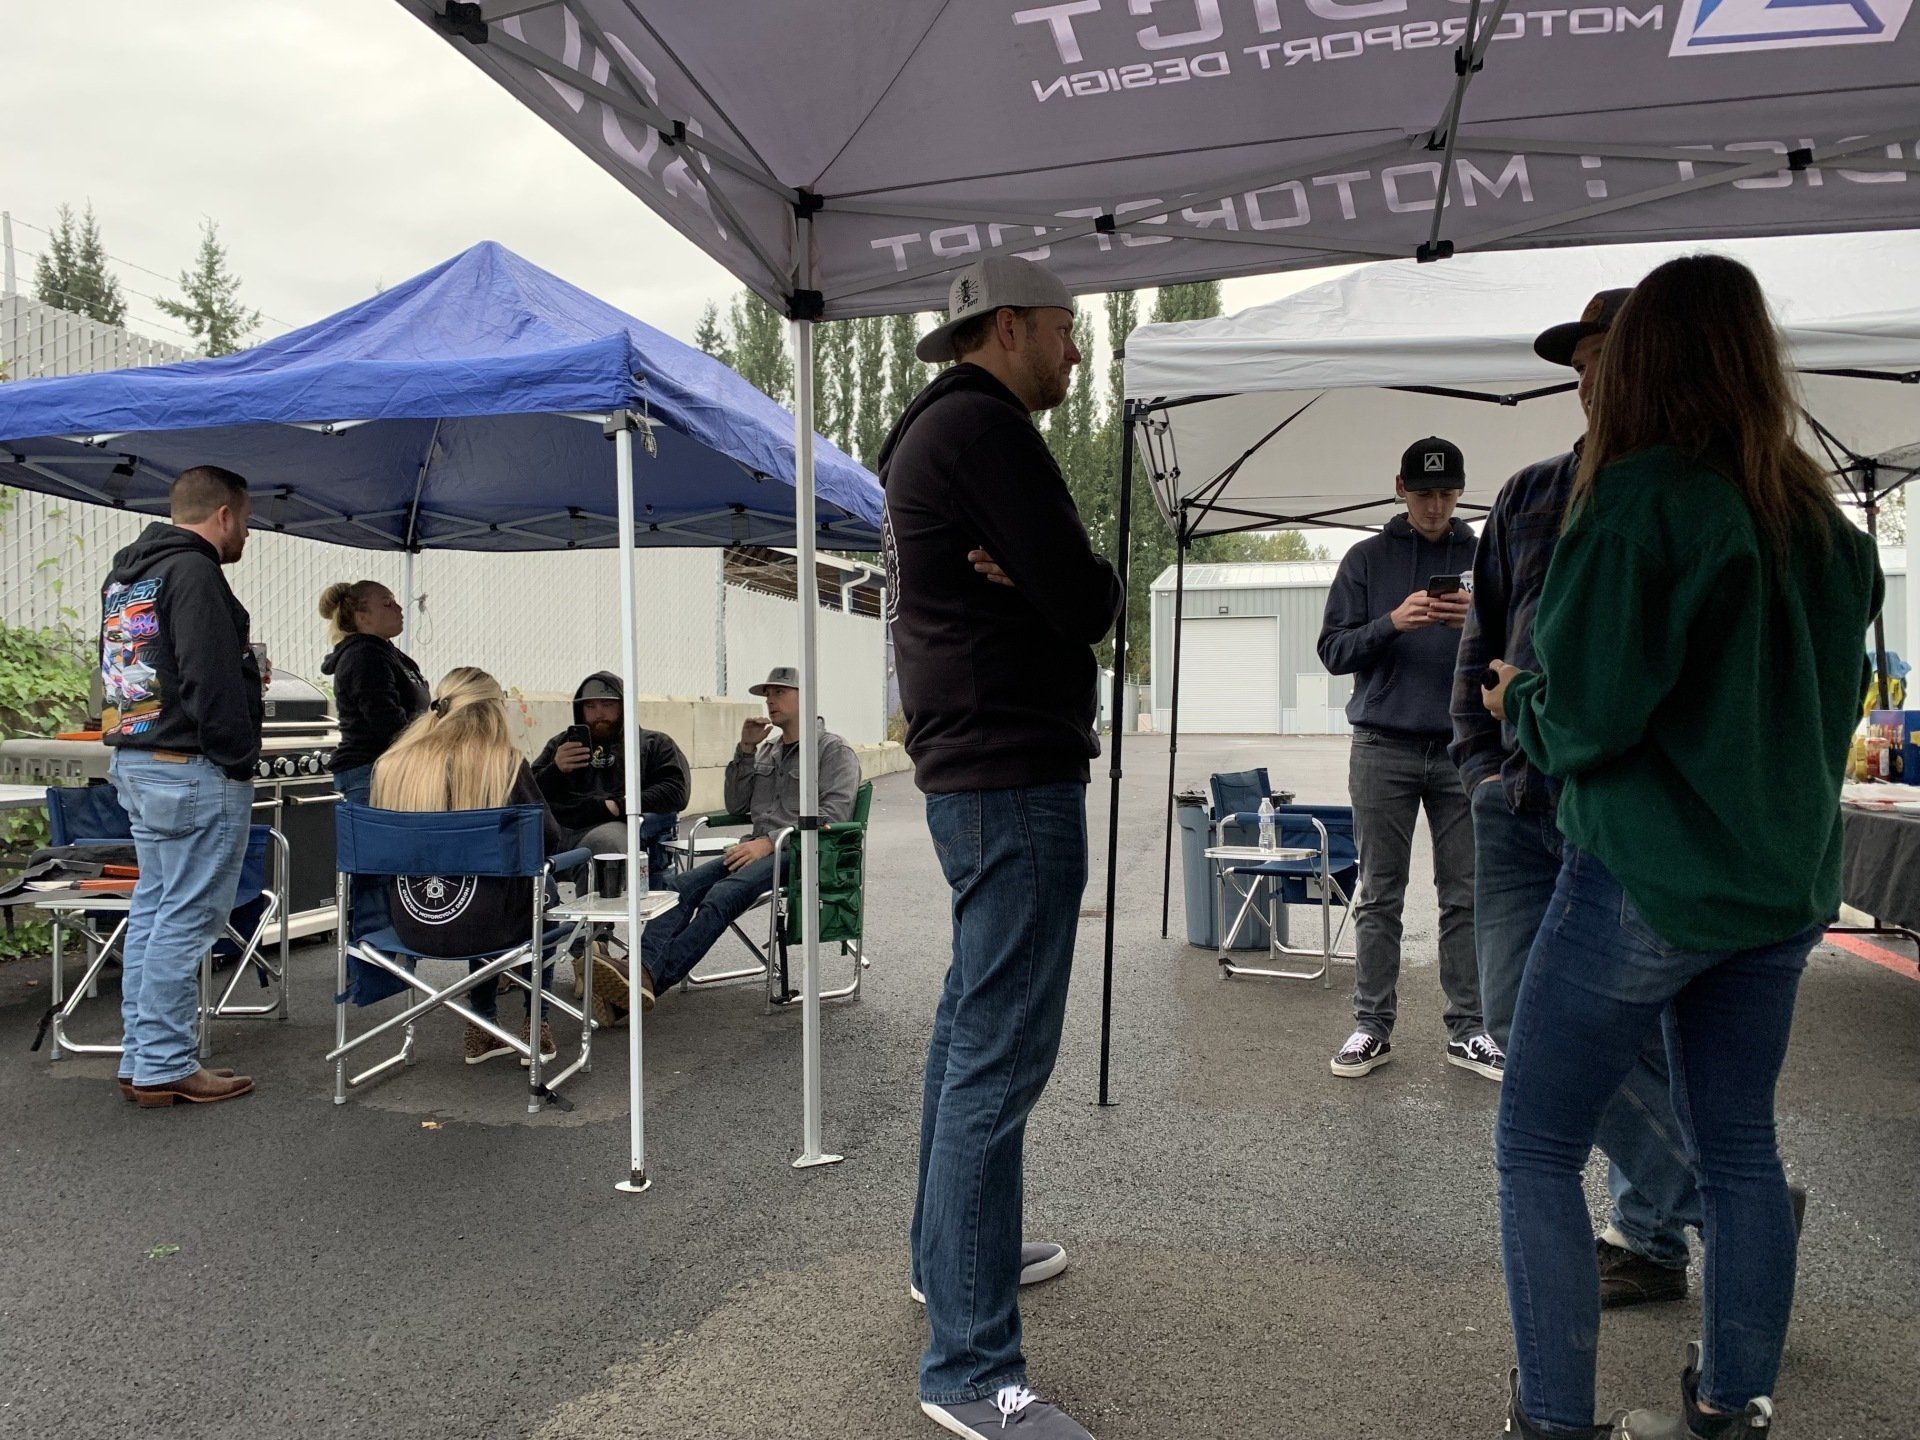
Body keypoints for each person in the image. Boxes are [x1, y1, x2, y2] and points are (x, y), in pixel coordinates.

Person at [1481, 254, 1883, 1440]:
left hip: (1645, 884)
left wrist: (1518, 700)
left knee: (1536, 1145)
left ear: (1645, 359)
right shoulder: (1822, 521)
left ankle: (1555, 1417)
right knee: (1742, 1152)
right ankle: (1729, 1403)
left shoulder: (1640, 500)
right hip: (1780, 891)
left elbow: (1587, 720)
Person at [880, 254, 1122, 1440]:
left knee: (971, 1027)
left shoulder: (941, 431)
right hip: (1012, 769)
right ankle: (971, 1370)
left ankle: (953, 1260)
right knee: (998, 1052)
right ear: (1012, 326)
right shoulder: (985, 432)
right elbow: (1086, 600)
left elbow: (1058, 588)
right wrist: (1059, 579)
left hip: (980, 765)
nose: (1079, 354)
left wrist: (1043, 578)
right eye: (1070, 334)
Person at [1452, 287, 1724, 1311]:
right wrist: (1479, 764)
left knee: (1644, 1035)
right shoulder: (1527, 495)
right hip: (1519, 808)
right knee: (1526, 1017)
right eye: (1582, 361)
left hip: (1623, 818)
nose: (1591, 377)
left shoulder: (1695, 500)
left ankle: (1654, 1238)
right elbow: (1478, 646)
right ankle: (1718, 1200)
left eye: (1611, 356)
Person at [1316, 438, 1500, 1082]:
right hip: (1382, 747)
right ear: (1400, 487)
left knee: (1467, 896)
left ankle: (1469, 1030)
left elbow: (1527, 641)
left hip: (1463, 749)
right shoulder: (1366, 560)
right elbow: (1333, 652)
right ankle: (1372, 1025)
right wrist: (1393, 622)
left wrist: (1475, 619)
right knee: (1379, 894)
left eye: (1448, 492)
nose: (1436, 504)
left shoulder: (1485, 556)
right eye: (1424, 492)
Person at [102, 465, 262, 1107]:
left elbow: (139, 672)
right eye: (246, 522)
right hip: (191, 767)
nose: (246, 535)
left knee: (154, 913)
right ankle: (166, 1065)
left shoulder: (127, 574)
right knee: (186, 920)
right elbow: (206, 678)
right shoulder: (195, 572)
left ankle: (142, 1058)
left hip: (140, 758)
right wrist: (237, 755)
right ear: (224, 514)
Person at [372, 667, 565, 1066]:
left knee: (489, 888)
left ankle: (481, 1027)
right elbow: (547, 838)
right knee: (530, 890)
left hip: (409, 925)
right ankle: (535, 1027)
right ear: (494, 711)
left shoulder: (393, 765)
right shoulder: (505, 764)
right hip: (487, 924)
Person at [637, 666, 859, 1007]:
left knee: (722, 895)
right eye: (767, 695)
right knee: (677, 888)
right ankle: (639, 973)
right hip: (754, 850)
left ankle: (651, 979)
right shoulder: (767, 750)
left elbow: (834, 816)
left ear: (807, 697)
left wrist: (769, 842)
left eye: (780, 693)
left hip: (800, 853)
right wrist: (744, 750)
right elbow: (737, 803)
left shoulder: (833, 751)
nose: (770, 700)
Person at [531, 672, 690, 1020]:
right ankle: (570, 950)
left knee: (605, 846)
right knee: (524, 859)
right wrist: (555, 770)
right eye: (590, 706)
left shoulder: (651, 744)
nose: (599, 713)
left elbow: (676, 791)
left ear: (623, 707)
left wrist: (618, 804)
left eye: (607, 705)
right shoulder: (561, 744)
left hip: (611, 838)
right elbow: (527, 793)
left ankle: (594, 946)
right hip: (558, 836)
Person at [319, 579, 429, 943]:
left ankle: (379, 947)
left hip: (391, 770)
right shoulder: (364, 654)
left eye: (396, 601)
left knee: (387, 865)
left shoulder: (386, 653)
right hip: (371, 772)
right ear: (361, 615)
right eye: (387, 603)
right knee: (374, 867)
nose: (398, 609)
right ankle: (368, 951)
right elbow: (385, 721)